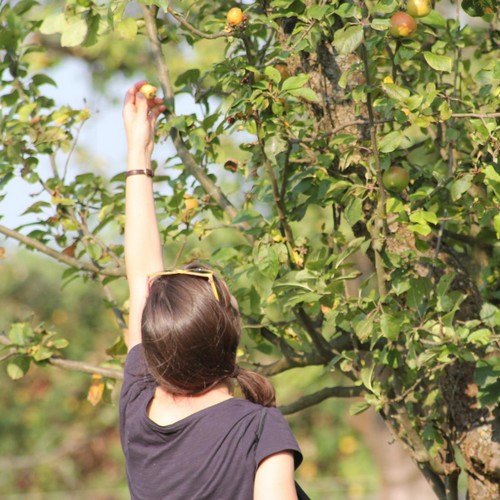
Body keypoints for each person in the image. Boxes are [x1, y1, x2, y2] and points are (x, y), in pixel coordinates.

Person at [120, 81, 303, 499]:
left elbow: (140, 279)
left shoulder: (139, 411)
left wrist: (138, 153)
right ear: (228, 337)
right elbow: (143, 281)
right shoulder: (258, 429)